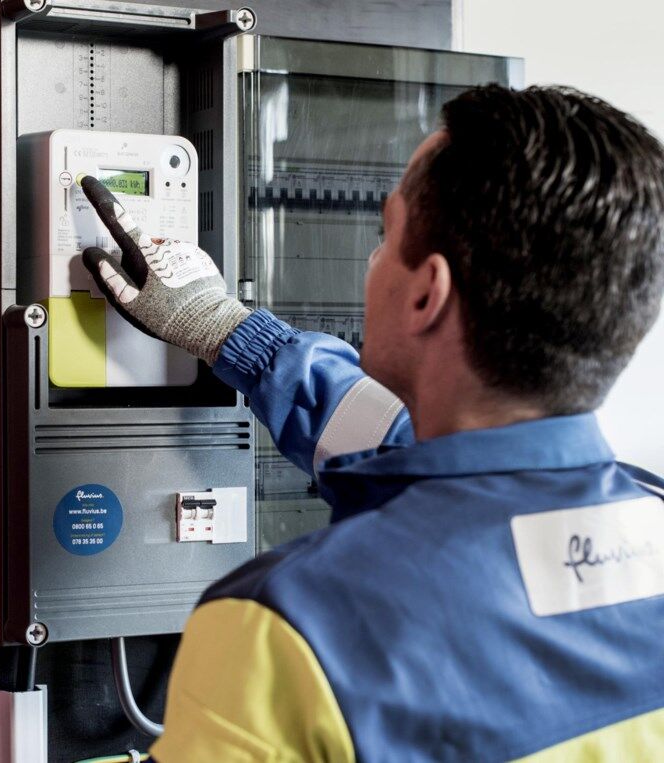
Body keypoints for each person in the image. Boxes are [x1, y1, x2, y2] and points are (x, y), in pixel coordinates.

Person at [79, 84, 664, 761]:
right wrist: (229, 331)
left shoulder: (287, 632)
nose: (373, 259)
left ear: (426, 293)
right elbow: (409, 449)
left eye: (385, 235)